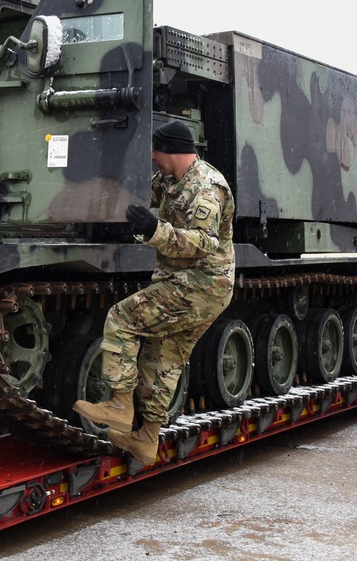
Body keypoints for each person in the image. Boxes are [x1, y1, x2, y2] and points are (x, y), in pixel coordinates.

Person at [73, 120, 236, 465]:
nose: (152, 157)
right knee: (162, 360)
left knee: (123, 317)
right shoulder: (169, 179)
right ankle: (147, 438)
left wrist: (154, 230)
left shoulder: (207, 187)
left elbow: (205, 243)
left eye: (155, 151)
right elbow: (140, 197)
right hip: (187, 284)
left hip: (202, 284)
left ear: (171, 151)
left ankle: (119, 404)